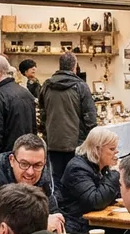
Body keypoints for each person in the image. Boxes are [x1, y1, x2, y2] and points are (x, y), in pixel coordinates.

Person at [39, 52, 97, 182]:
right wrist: (92, 140)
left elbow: (42, 114)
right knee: (75, 178)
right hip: (76, 143)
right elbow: (90, 116)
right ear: (74, 67)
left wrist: (46, 134)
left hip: (53, 142)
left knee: (56, 179)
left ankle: (58, 202)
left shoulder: (46, 85)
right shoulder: (81, 86)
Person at [58, 126, 121, 234]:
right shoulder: (77, 168)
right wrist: (115, 173)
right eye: (111, 149)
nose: (116, 152)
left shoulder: (101, 166)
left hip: (93, 222)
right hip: (77, 225)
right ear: (97, 150)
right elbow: (95, 201)